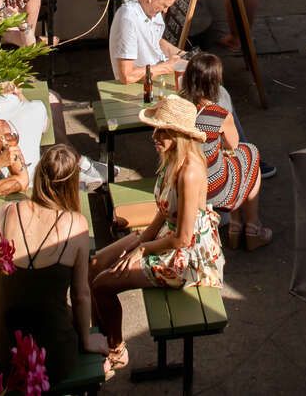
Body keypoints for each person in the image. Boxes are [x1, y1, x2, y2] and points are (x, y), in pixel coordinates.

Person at [90, 95, 223, 379]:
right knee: (94, 264)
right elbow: (163, 213)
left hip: (186, 257)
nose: (154, 136)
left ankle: (116, 349)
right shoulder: (171, 159)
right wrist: (138, 241)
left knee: (102, 285)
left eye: (161, 130)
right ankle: (97, 337)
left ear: (178, 135)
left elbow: (183, 239)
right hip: (167, 236)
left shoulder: (189, 172)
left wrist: (142, 249)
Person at [0, 144, 110, 384]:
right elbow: (81, 294)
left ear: (39, 174)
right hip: (50, 358)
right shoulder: (76, 226)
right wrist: (87, 339)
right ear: (73, 184)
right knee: (65, 313)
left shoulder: (8, 213)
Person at [177, 54, 270, 250]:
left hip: (180, 179)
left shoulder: (178, 108)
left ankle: (236, 225)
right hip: (212, 188)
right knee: (249, 154)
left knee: (234, 161)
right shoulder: (219, 114)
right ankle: (251, 228)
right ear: (214, 83)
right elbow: (233, 145)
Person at [109, 0, 187, 85]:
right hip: (139, 87)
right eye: (164, 5)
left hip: (156, 75)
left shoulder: (151, 10)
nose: (165, 11)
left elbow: (155, 40)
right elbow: (126, 76)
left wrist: (183, 55)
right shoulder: (128, 19)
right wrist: (166, 67)